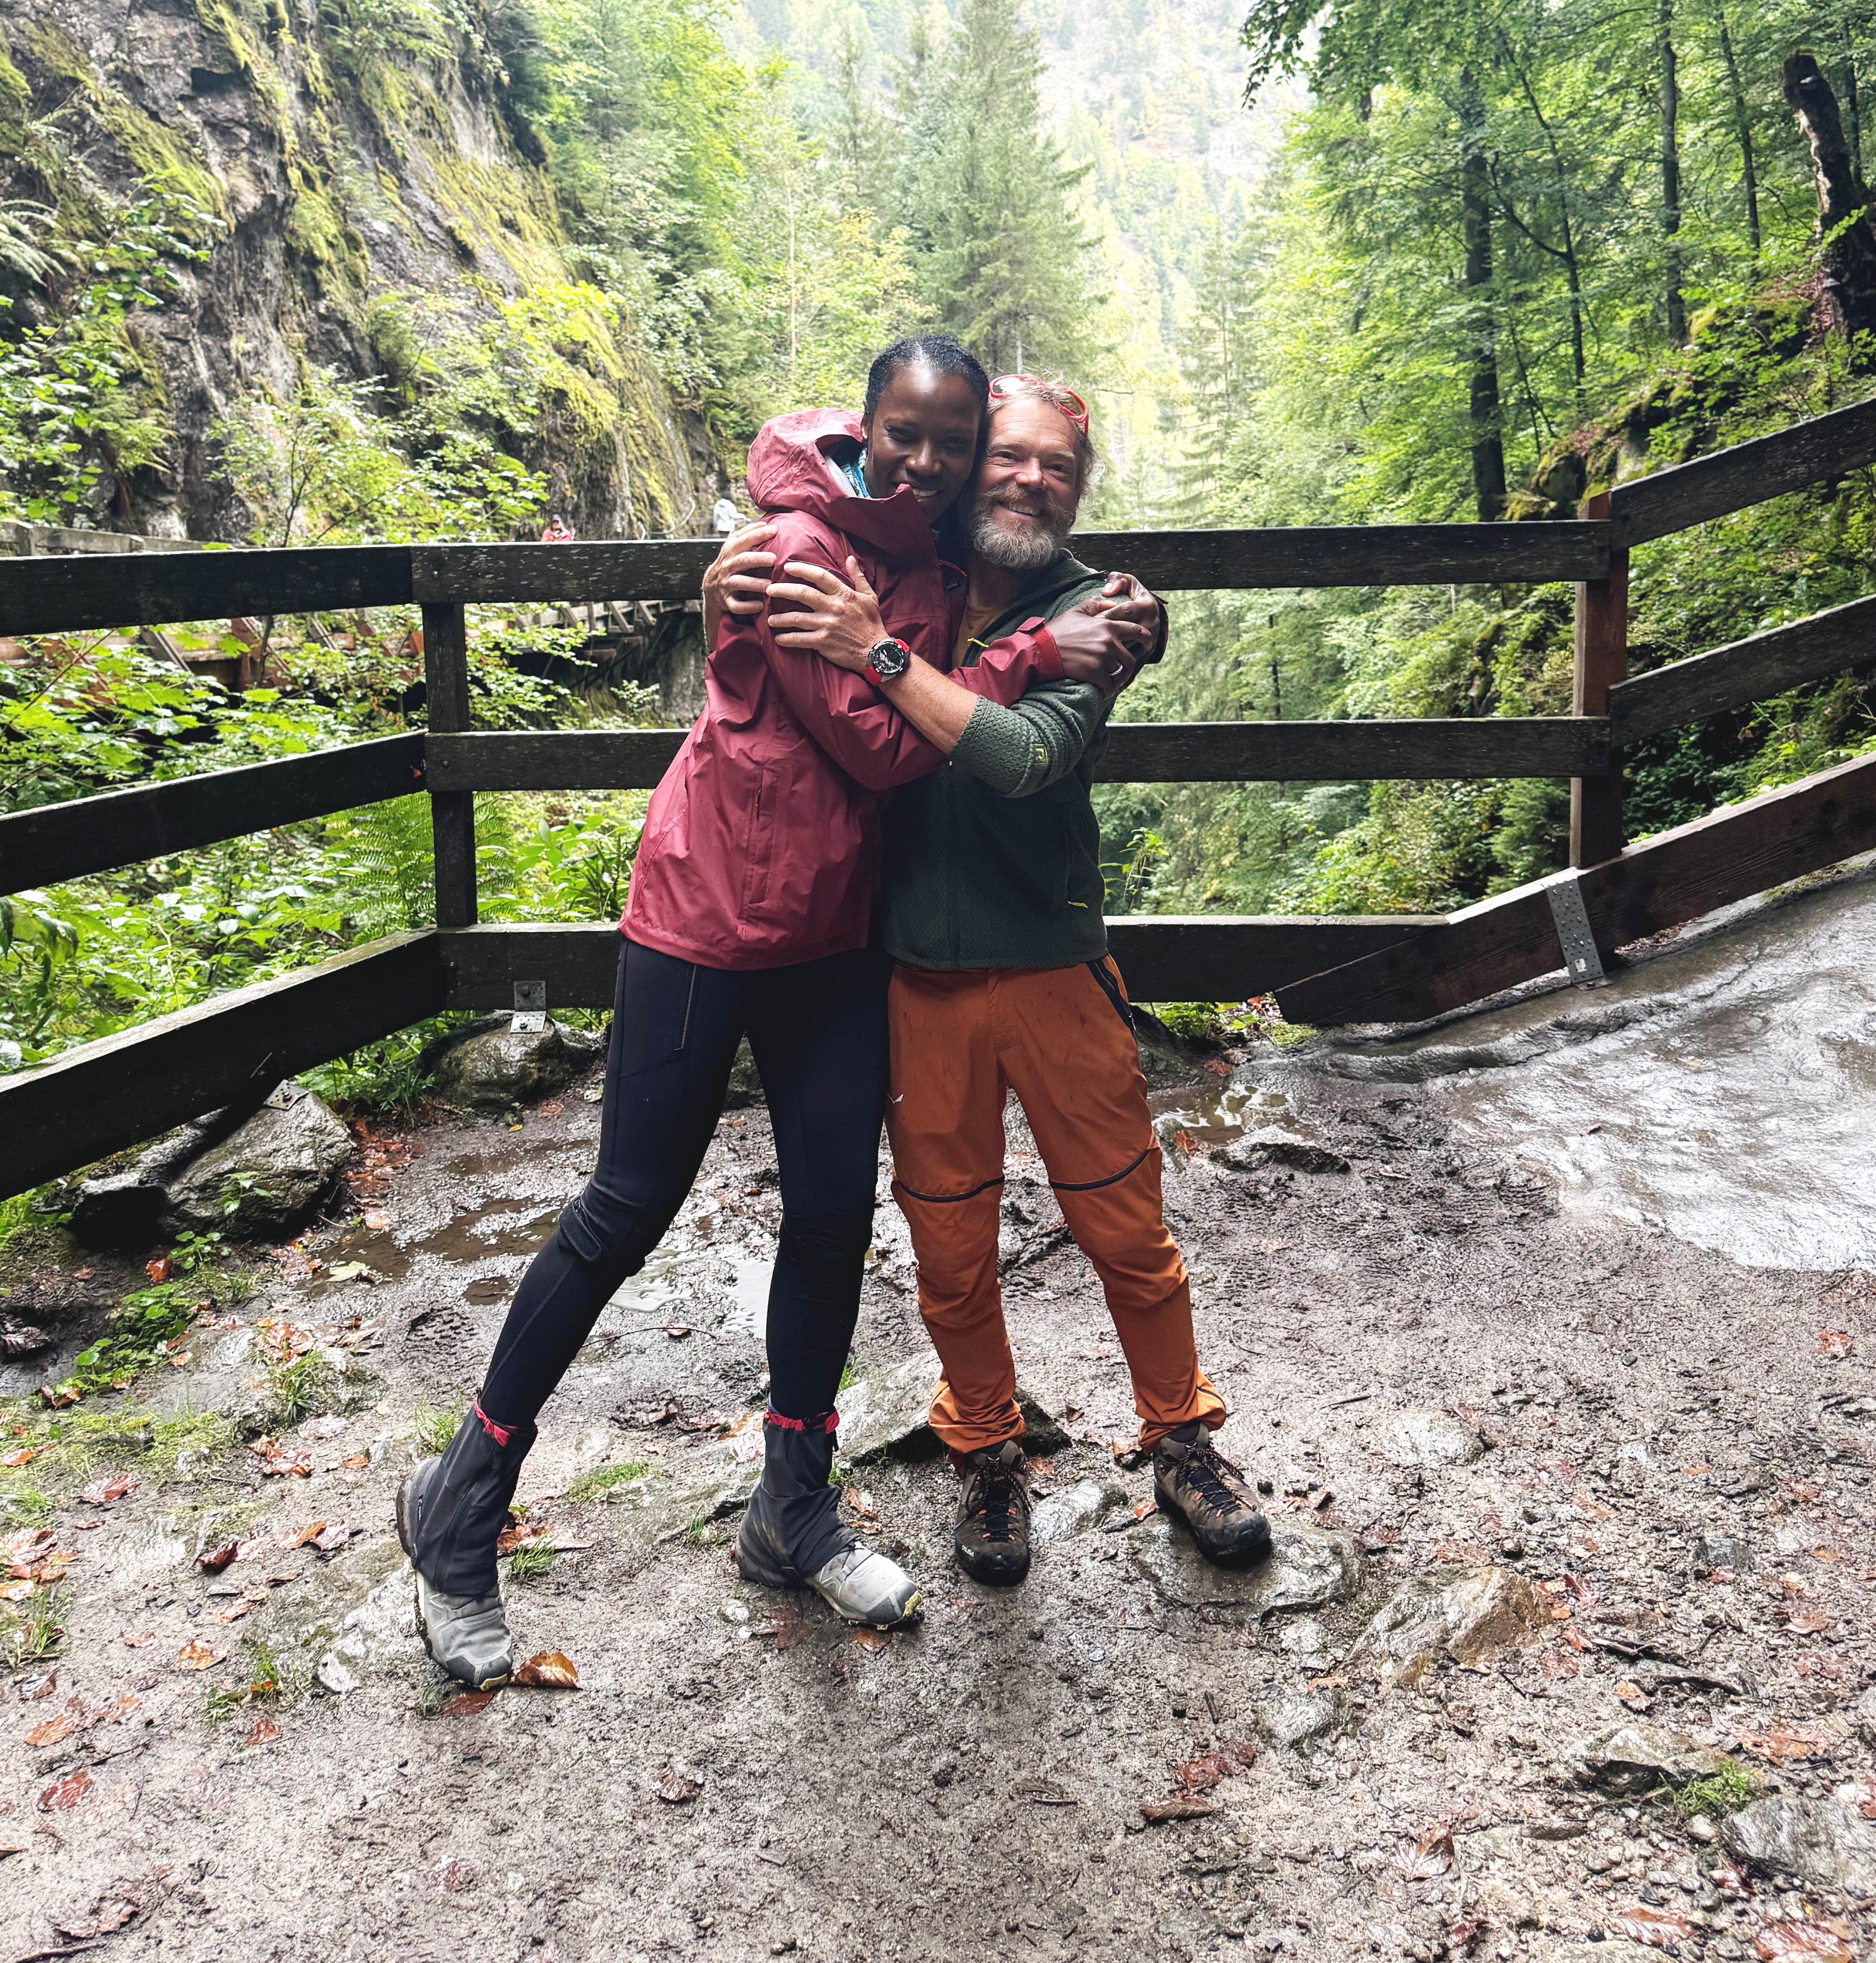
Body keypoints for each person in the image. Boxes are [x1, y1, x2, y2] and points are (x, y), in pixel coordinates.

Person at [395, 336, 1156, 1687]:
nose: (927, 461)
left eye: (952, 441)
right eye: (902, 435)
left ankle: (790, 1507)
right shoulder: (800, 542)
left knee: (827, 1217)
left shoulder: (925, 549)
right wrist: (1035, 647)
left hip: (834, 935)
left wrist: (1084, 626)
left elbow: (950, 676)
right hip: (708, 919)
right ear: (862, 425)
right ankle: (458, 1502)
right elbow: (878, 744)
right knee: (623, 1210)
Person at [715, 372, 1273, 1588]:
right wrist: (725, 572)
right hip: (915, 976)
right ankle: (987, 1451)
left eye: (1058, 469)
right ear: (967, 467)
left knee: (1125, 1221)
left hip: (1056, 964)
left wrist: (875, 651)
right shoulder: (912, 573)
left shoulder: (1101, 613)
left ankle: (1183, 1439)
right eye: (1007, 458)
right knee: (951, 1245)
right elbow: (814, 475)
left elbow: (1023, 757)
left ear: (1079, 492)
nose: (1029, 481)